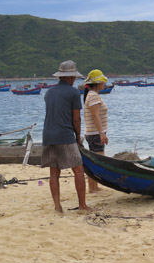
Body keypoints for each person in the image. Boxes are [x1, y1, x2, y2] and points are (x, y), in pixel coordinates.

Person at [42, 60, 90, 212]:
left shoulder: (49, 92)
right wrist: (77, 138)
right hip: (65, 135)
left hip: (48, 136)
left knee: (54, 173)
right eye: (74, 77)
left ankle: (57, 207)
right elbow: (76, 119)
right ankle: (82, 205)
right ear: (70, 77)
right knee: (78, 170)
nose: (74, 79)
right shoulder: (74, 93)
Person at [83, 69, 109, 193]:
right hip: (95, 133)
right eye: (102, 81)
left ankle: (94, 187)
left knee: (95, 161)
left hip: (93, 133)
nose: (104, 84)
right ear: (98, 83)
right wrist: (102, 133)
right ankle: (92, 188)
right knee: (98, 162)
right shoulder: (93, 95)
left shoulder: (92, 94)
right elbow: (95, 116)